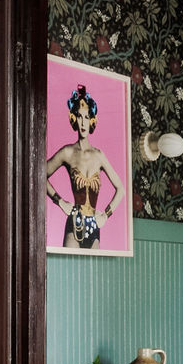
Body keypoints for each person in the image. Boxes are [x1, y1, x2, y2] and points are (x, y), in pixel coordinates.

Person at [44, 84, 123, 249]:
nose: (83, 122)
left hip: (94, 227)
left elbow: (121, 189)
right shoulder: (67, 152)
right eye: (79, 116)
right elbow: (38, 174)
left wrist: (106, 215)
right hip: (74, 224)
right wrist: (60, 201)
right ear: (74, 118)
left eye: (87, 117)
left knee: (95, 274)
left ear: (92, 119)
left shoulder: (99, 155)